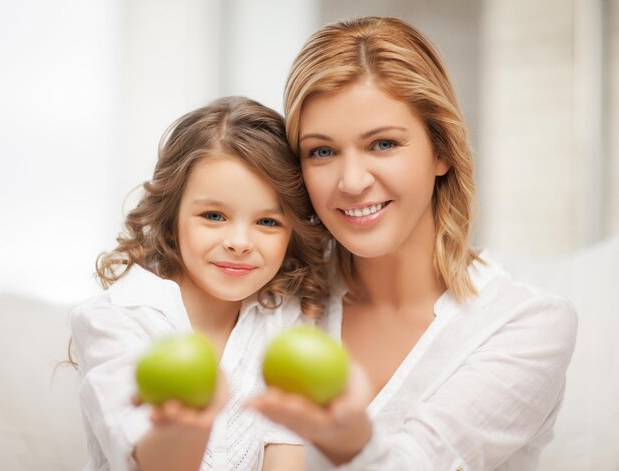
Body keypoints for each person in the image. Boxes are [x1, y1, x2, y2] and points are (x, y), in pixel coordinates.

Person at [247, 16, 578, 470]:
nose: (352, 181)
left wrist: (350, 442)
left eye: (382, 144)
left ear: (441, 150)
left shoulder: (526, 327)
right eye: (321, 151)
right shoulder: (276, 296)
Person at [70, 96, 327, 471]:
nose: (240, 241)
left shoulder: (288, 318)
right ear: (172, 214)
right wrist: (195, 415)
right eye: (213, 215)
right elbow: (151, 462)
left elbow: (286, 455)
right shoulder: (116, 318)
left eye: (268, 222)